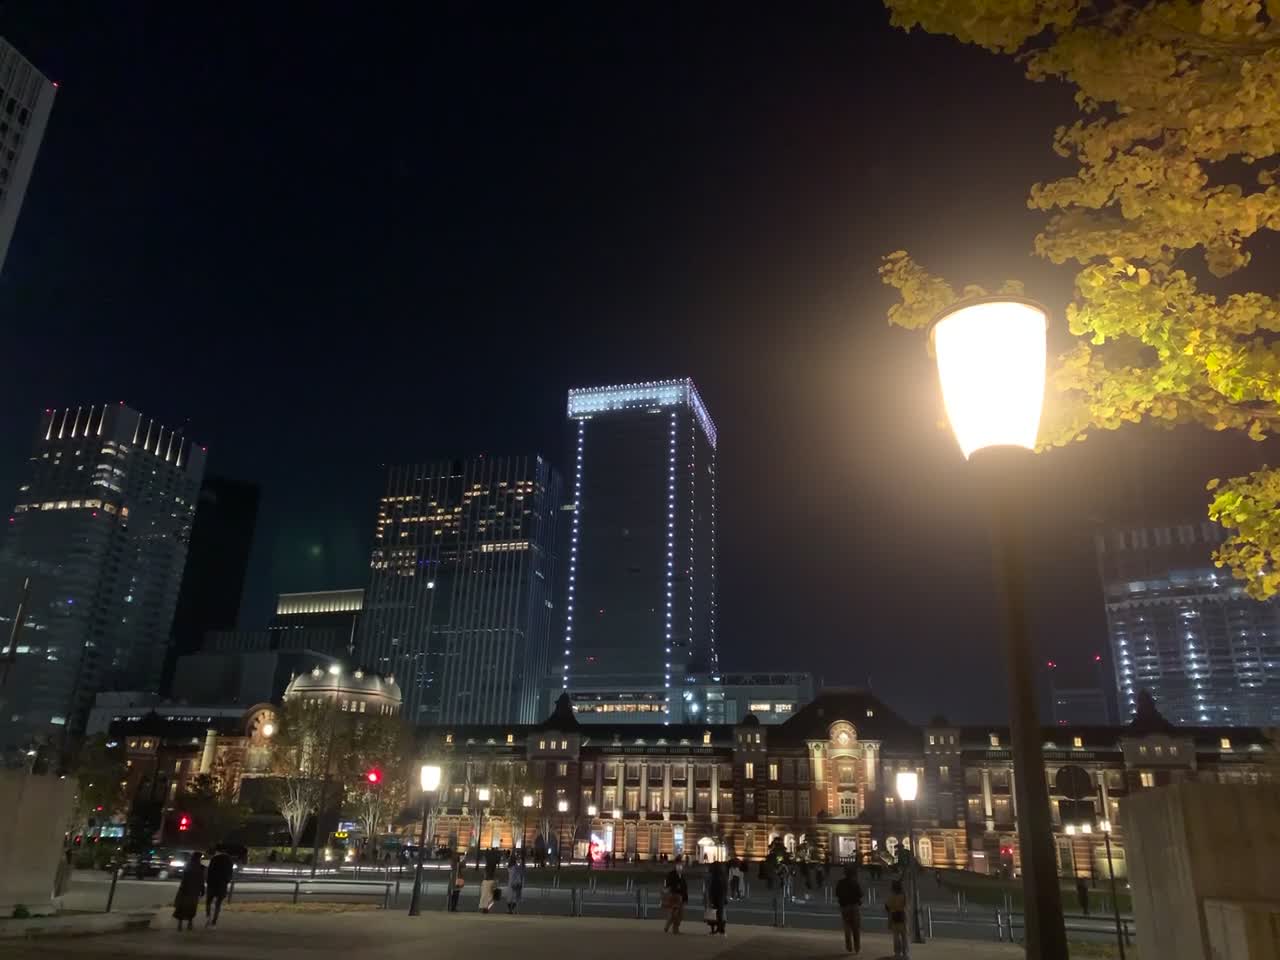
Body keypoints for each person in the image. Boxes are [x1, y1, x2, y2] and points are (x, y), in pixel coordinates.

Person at [173, 852, 205, 932]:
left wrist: (182, 888)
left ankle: (180, 925)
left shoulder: (188, 866)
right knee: (191, 907)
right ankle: (189, 924)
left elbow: (184, 879)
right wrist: (202, 889)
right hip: (194, 890)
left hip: (186, 889)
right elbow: (201, 880)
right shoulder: (200, 867)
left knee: (182, 907)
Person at [836, 865, 863, 955]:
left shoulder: (840, 883)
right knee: (856, 928)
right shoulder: (855, 883)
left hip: (845, 907)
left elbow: (837, 893)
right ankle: (857, 947)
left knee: (847, 927)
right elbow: (860, 894)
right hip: (854, 906)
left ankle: (849, 946)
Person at [204, 848, 234, 927]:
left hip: (212, 883)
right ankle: (214, 920)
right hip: (222, 884)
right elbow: (230, 873)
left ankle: (208, 917)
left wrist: (208, 881)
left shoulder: (215, 858)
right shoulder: (229, 860)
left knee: (208, 902)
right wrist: (226, 881)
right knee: (218, 903)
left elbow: (210, 871)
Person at [885, 878, 909, 958]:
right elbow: (906, 904)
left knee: (896, 936)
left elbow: (887, 906)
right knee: (904, 936)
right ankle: (905, 952)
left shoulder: (891, 896)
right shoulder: (904, 894)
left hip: (894, 916)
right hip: (902, 916)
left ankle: (897, 952)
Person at [662, 860, 688, 934]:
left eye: (681, 865)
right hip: (674, 895)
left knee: (676, 913)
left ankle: (668, 926)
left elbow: (684, 887)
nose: (680, 867)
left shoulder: (681, 875)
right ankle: (674, 928)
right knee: (676, 913)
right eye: (679, 865)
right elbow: (669, 885)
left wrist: (685, 898)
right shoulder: (673, 875)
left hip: (679, 896)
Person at [705, 861, 727, 935]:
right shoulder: (722, 875)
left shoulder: (711, 875)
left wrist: (707, 898)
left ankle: (714, 928)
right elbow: (725, 887)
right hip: (720, 896)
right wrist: (725, 897)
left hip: (713, 896)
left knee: (713, 913)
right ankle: (721, 928)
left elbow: (708, 887)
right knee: (720, 913)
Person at [479, 848, 500, 912]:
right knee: (490, 896)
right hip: (491, 880)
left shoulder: (488, 864)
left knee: (485, 895)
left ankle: (484, 907)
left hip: (486, 880)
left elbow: (485, 873)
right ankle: (487, 907)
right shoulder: (493, 865)